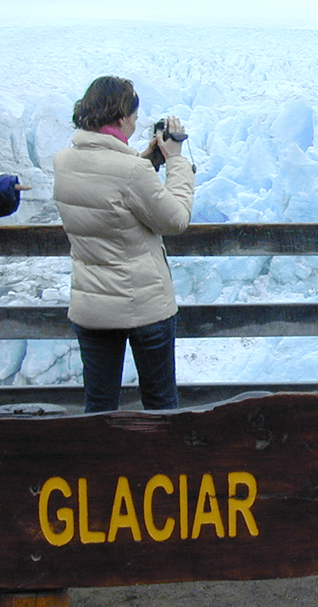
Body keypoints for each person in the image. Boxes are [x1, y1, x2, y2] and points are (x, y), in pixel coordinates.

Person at [53, 76, 195, 413]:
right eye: (133, 115)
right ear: (120, 117)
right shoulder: (131, 171)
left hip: (92, 307)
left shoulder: (63, 162)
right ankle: (160, 465)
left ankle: (99, 465)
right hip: (144, 307)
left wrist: (147, 158)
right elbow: (175, 219)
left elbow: (111, 186)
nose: (135, 122)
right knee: (161, 406)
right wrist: (175, 161)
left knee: (99, 407)